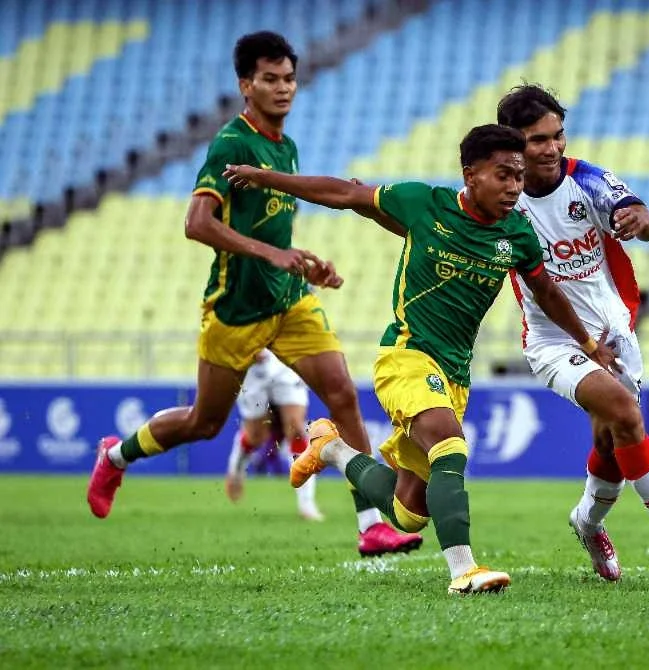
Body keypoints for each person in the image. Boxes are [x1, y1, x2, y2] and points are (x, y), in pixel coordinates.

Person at [222, 124, 618, 594]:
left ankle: (331, 449)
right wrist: (267, 178)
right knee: (450, 446)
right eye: (503, 175)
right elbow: (344, 193)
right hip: (407, 357)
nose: (514, 186)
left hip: (454, 375)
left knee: (409, 513)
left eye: (518, 175)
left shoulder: (517, 233)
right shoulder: (424, 205)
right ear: (470, 175)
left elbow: (547, 293)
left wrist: (589, 345)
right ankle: (463, 571)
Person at [85, 30, 421, 557]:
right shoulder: (231, 144)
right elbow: (197, 223)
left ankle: (370, 525)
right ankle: (115, 457)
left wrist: (304, 261)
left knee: (341, 393)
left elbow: (272, 234)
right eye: (270, 79)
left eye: (289, 78)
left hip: (288, 301)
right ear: (247, 85)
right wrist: (270, 256)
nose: (283, 88)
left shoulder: (285, 147)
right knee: (204, 422)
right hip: (235, 311)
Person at [496, 84, 649, 581]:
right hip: (554, 342)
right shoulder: (503, 201)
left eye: (558, 136)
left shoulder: (587, 181)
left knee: (610, 442)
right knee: (625, 414)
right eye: (538, 140)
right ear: (512, 143)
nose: (553, 148)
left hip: (614, 333)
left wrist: (639, 219)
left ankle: (587, 521)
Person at [225, 349, 324, 521]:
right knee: (255, 436)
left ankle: (306, 503)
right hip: (253, 364)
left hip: (285, 358)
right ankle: (237, 468)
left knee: (297, 430)